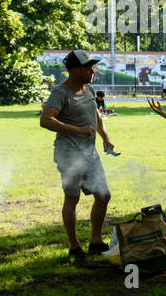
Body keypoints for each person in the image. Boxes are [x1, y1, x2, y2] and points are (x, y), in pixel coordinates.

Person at [40, 50, 117, 262]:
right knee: (72, 199)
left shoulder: (89, 88)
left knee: (103, 195)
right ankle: (74, 247)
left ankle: (95, 241)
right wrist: (78, 130)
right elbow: (46, 120)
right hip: (69, 155)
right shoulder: (60, 93)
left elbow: (95, 115)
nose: (93, 70)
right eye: (88, 67)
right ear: (74, 71)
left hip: (90, 154)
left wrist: (105, 138)